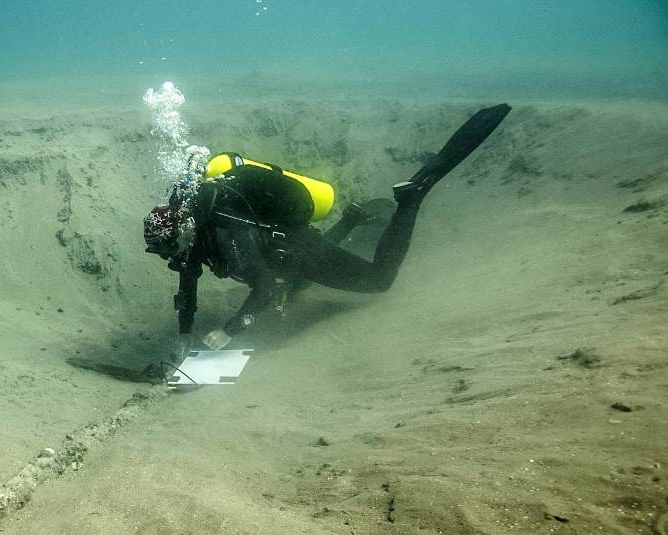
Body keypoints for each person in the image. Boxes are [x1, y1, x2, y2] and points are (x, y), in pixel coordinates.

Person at [143, 104, 512, 359]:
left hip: (299, 249)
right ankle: (350, 221)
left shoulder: (224, 234)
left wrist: (230, 330)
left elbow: (266, 288)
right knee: (297, 282)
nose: (167, 257)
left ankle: (412, 199)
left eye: (166, 248)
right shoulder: (191, 236)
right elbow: (187, 285)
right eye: (161, 252)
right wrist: (184, 335)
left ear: (183, 230)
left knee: (378, 280)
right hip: (284, 254)